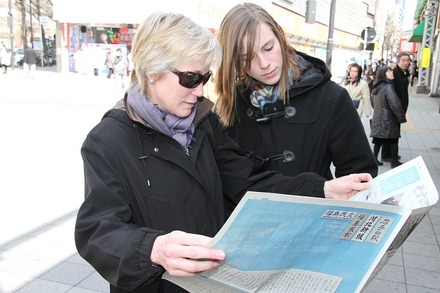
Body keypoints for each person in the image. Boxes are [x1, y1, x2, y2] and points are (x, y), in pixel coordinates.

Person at [74, 11, 373, 293]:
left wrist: (321, 189)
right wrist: (153, 249)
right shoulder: (108, 140)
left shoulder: (204, 123)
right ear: (152, 71)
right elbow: (97, 229)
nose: (201, 91)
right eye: (191, 78)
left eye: (204, 79)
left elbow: (247, 180)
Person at [214, 3, 378, 180]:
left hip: (316, 206)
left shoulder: (331, 98)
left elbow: (360, 174)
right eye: (247, 58)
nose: (264, 63)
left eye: (268, 48)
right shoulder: (229, 104)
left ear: (280, 35)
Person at [370, 66, 406, 167]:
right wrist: (401, 117)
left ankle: (374, 159)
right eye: (389, 71)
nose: (392, 73)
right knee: (393, 139)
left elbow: (373, 103)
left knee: (378, 140)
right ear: (383, 74)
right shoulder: (388, 87)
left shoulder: (376, 87)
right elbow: (395, 103)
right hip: (388, 119)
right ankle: (394, 161)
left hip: (378, 117)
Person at [381, 52, 410, 162]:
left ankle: (389, 153)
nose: (405, 63)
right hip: (394, 108)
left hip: (399, 108)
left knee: (393, 132)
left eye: (407, 61)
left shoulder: (404, 73)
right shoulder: (395, 73)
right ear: (398, 62)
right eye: (403, 60)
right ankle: (388, 155)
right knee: (393, 133)